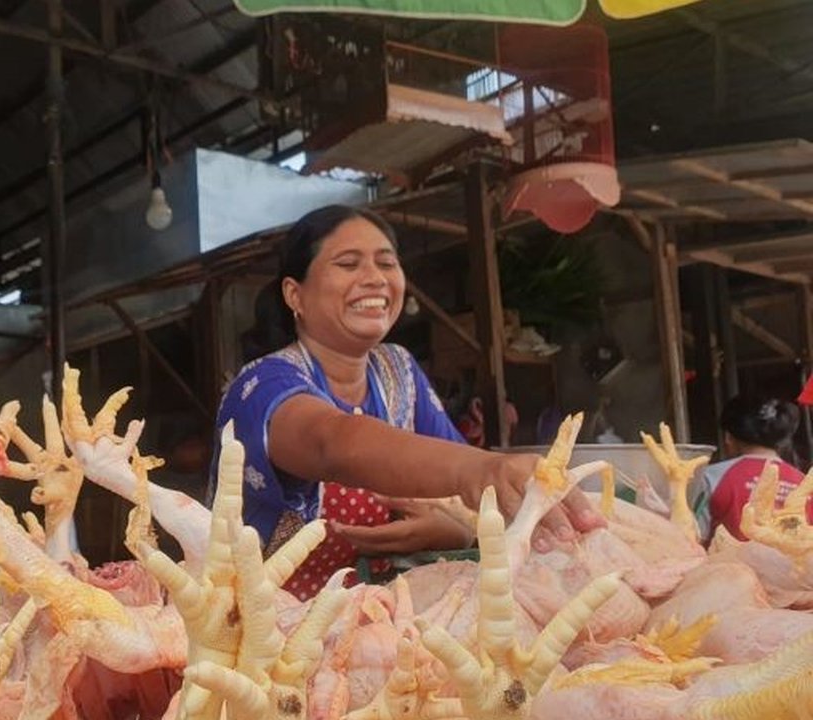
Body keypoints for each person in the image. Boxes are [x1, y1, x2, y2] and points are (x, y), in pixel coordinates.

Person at [210, 204, 604, 600]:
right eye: (348, 264)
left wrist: (456, 530)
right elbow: (334, 443)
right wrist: (483, 469)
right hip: (268, 622)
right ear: (295, 294)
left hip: (384, 615)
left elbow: (460, 498)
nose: (375, 278)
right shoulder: (261, 385)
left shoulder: (398, 369)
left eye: (387, 263)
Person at [694, 394, 813, 543]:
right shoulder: (804, 483)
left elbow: (695, 535)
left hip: (728, 558)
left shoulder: (710, 477)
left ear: (728, 437)